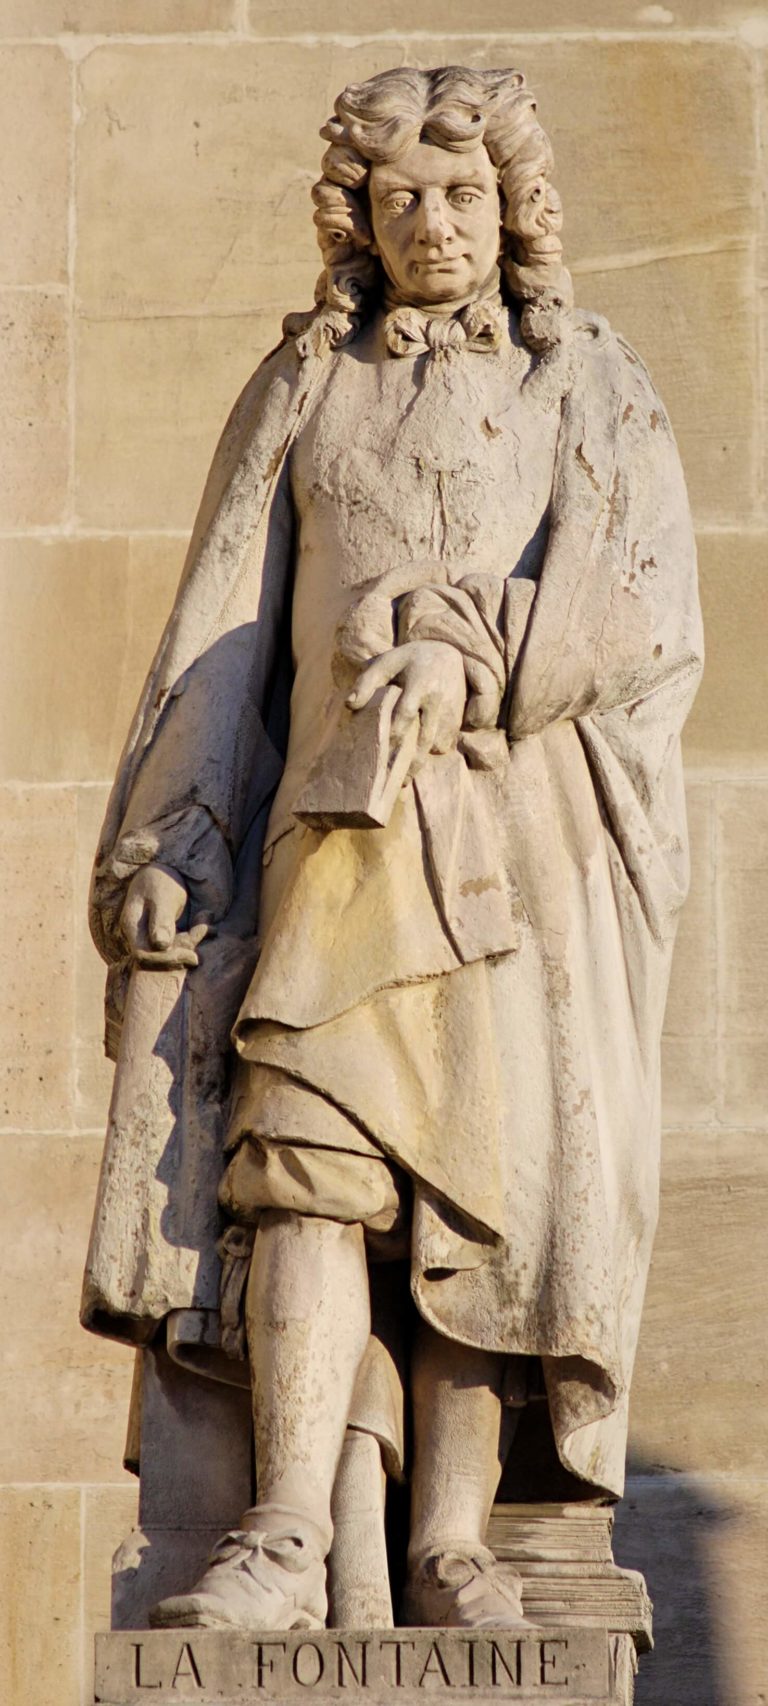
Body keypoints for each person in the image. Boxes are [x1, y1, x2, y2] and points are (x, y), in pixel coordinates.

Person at [82, 65, 703, 1633]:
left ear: (516, 214)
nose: (438, 224)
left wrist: (478, 651)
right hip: (335, 836)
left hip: (519, 843)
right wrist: (178, 832)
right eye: (405, 197)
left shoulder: (590, 381)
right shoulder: (308, 380)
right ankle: (288, 1524)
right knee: (303, 1173)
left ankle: (448, 1539)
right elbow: (226, 627)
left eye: (468, 196)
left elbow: (641, 603)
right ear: (358, 217)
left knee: (479, 1184)